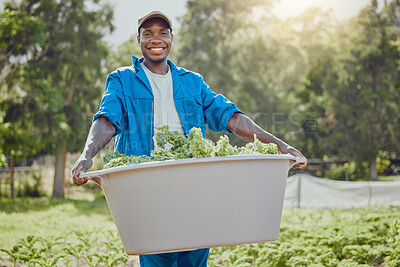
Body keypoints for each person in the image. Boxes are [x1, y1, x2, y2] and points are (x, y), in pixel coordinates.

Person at [72, 10, 307, 267]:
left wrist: (280, 145)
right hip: (148, 185)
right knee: (157, 252)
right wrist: (87, 154)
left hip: (192, 183)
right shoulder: (122, 79)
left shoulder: (192, 82)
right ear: (137, 40)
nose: (156, 39)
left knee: (195, 253)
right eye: (147, 34)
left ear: (172, 38)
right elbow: (107, 119)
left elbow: (231, 117)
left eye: (162, 33)